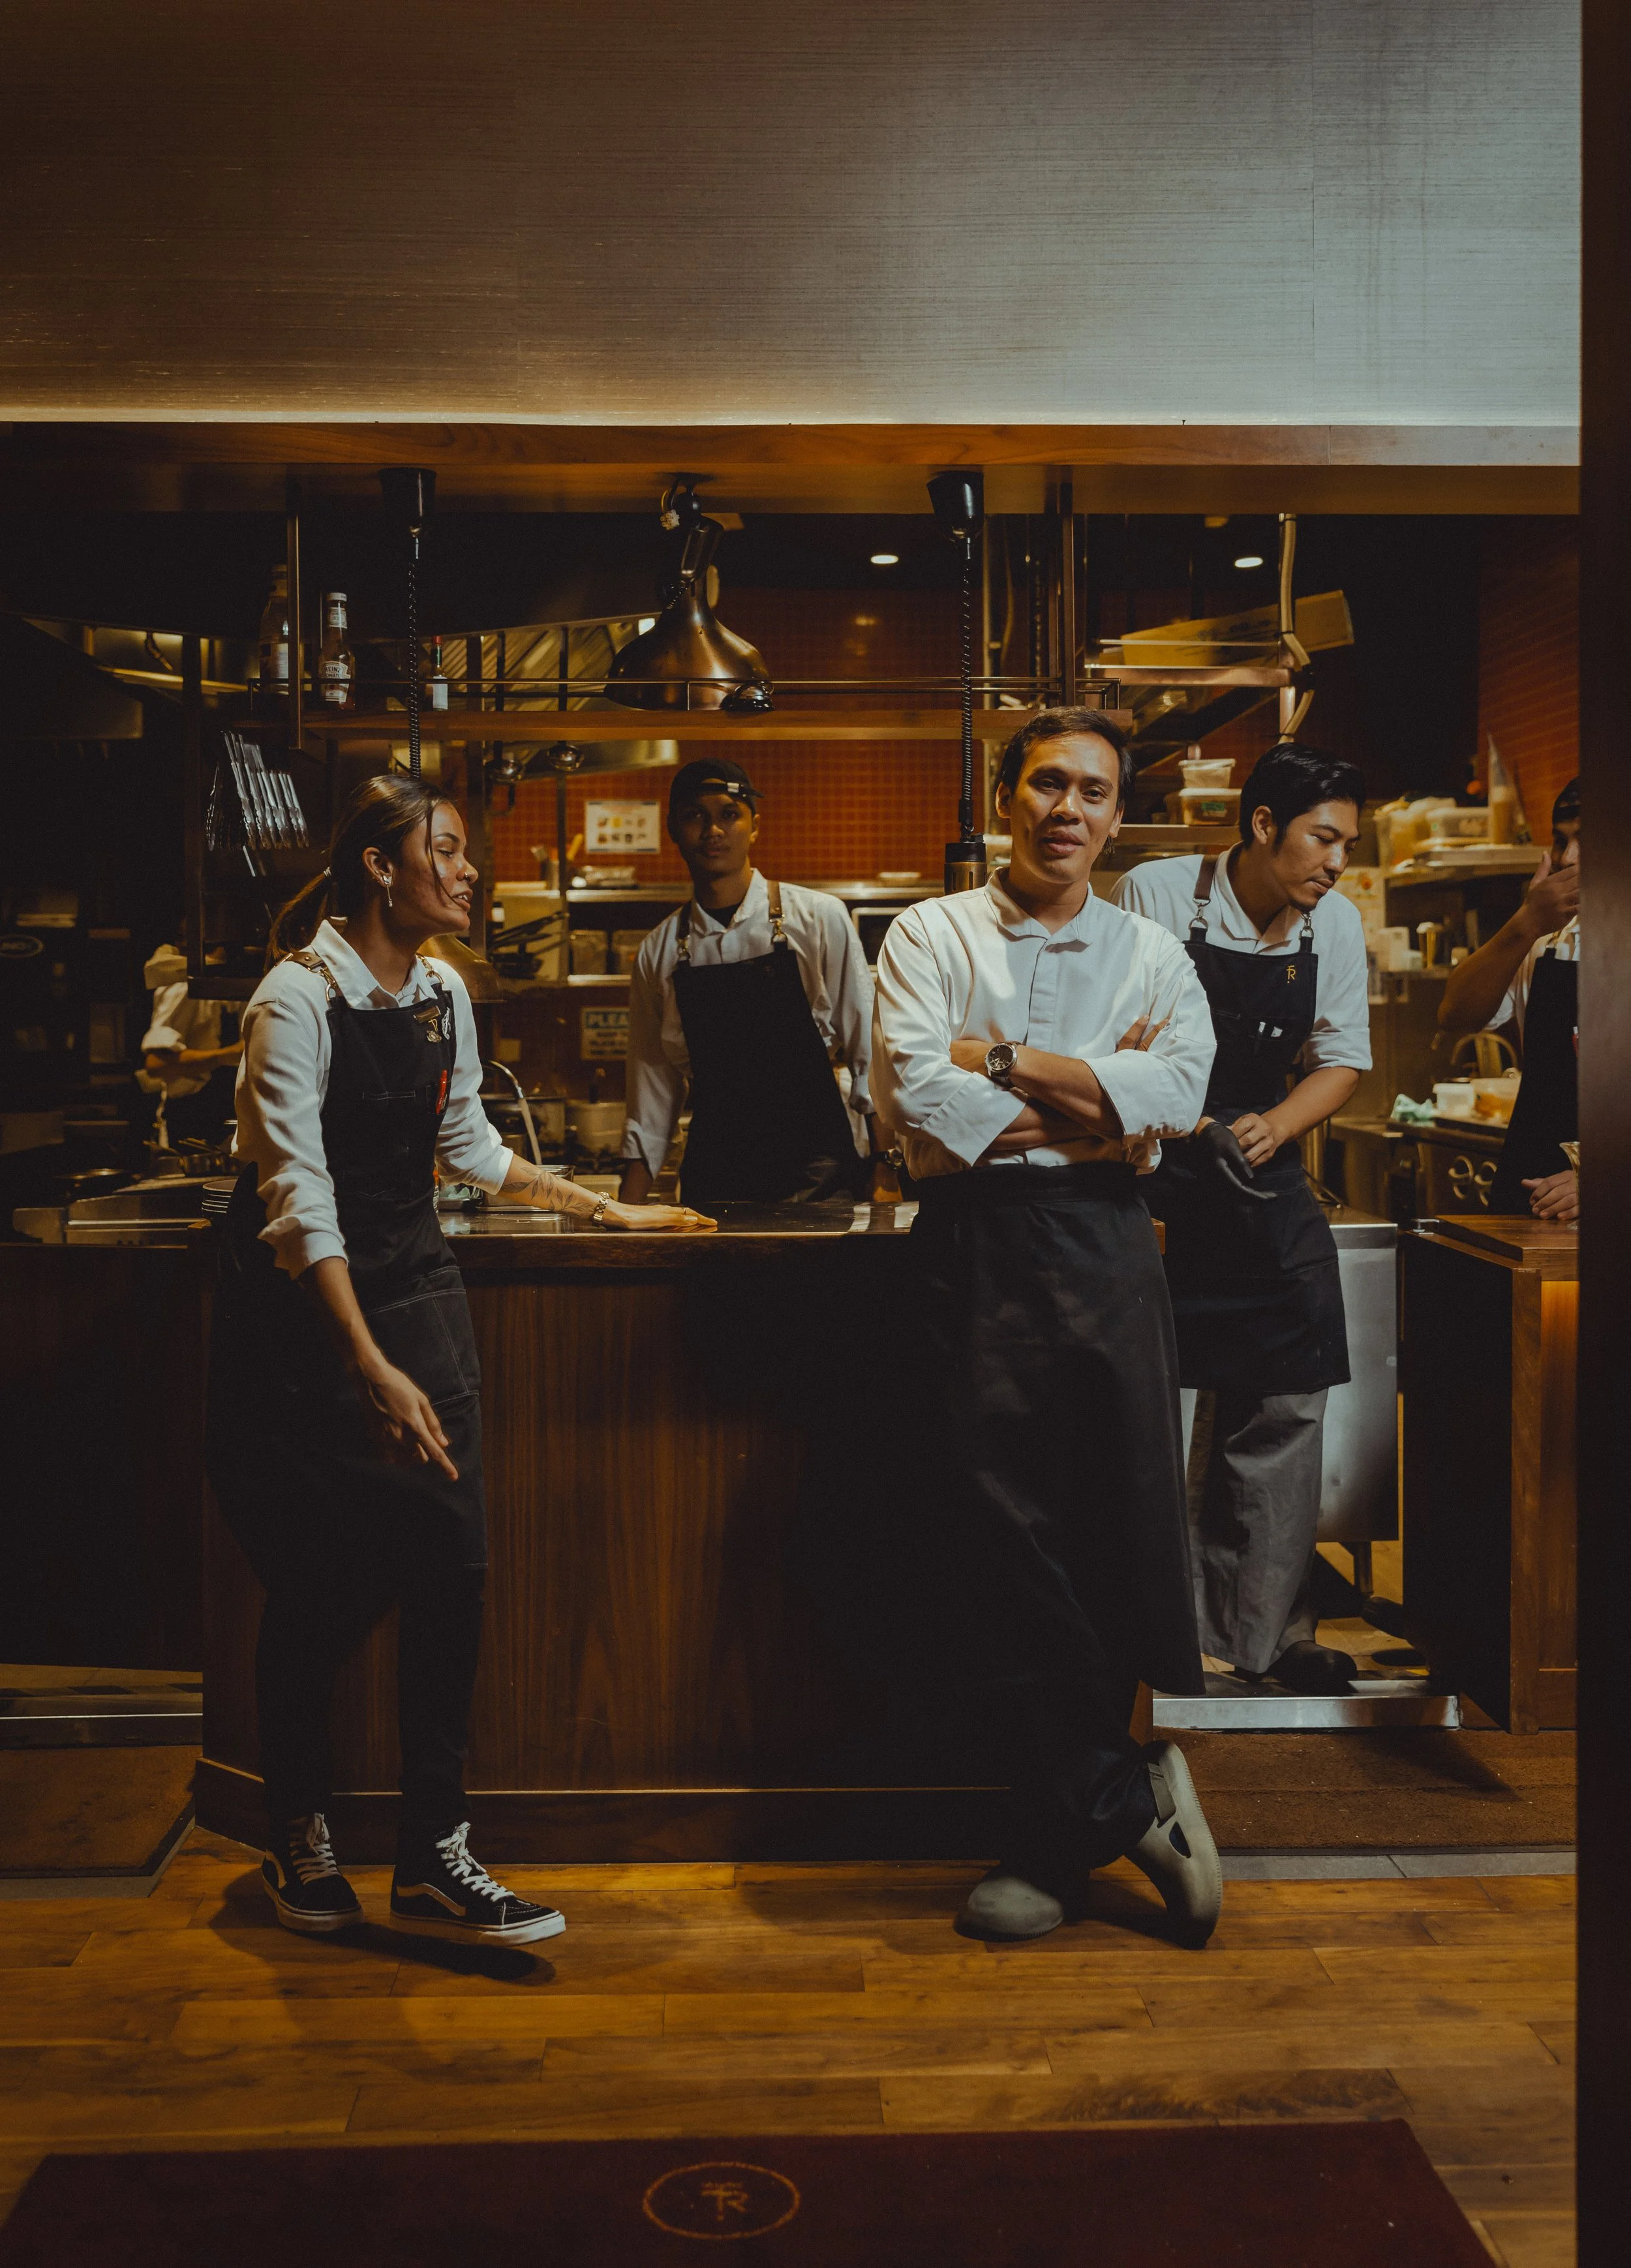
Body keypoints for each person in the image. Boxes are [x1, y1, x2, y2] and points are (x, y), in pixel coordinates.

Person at [208, 774, 712, 1945]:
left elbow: (467, 1144)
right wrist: (365, 1361)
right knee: (323, 1578)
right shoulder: (296, 997)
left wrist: (605, 1211)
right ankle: (298, 1832)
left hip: (415, 1282)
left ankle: (436, 1848)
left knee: (453, 1564)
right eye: (451, 850)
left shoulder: (441, 993)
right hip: (302, 1311)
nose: (473, 871)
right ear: (383, 865)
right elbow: (298, 1195)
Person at [872, 708, 1223, 1947]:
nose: (1067, 808)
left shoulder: (1154, 952)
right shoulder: (928, 932)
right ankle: (1125, 1791)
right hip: (973, 1249)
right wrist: (1093, 1097)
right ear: (1005, 795)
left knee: (1107, 1521)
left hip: (1109, 1245)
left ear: (1117, 816)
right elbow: (920, 1100)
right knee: (990, 1533)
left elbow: (1179, 1094)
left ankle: (1050, 1842)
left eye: (1092, 791)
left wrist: (1005, 1059)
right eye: (1046, 783)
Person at [1114, 742, 1371, 1699]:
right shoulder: (1155, 893)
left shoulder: (1331, 924)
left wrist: (1274, 1124)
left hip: (1265, 1182)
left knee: (1287, 1399)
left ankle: (1267, 1634)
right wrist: (1186, 1116)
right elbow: (1123, 1038)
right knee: (1153, 1408)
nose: (1336, 863)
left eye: (1346, 844)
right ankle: (1160, 1635)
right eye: (1323, 839)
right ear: (1263, 825)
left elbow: (1342, 1059)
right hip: (1158, 1182)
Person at [620, 759, 879, 1207]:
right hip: (716, 1177)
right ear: (673, 832)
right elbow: (652, 1090)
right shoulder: (658, 952)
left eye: (728, 813)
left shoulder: (818, 918)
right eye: (694, 815)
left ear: (754, 826)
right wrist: (623, 1215)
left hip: (818, 1171)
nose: (712, 830)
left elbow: (870, 1053)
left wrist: (885, 1165)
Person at [1439, 776, 1579, 1223]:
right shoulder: (1550, 943)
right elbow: (1456, 1014)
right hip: (1527, 1204)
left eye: (1587, 841)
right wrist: (1526, 922)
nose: (1569, 859)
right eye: (1561, 841)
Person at [136, 942, 243, 1151]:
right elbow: (157, 1063)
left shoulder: (240, 985)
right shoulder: (186, 988)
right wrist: (233, 1054)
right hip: (193, 1123)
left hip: (229, 1119)